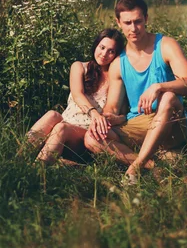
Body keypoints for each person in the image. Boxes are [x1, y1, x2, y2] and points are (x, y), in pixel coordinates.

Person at [84, 0, 187, 183]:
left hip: (172, 122)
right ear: (118, 22)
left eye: (138, 21)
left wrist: (159, 87)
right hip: (139, 123)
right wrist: (107, 118)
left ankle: (134, 168)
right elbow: (112, 106)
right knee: (91, 138)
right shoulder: (119, 63)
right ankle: (156, 164)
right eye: (127, 22)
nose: (133, 28)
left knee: (168, 97)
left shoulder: (166, 45)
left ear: (146, 18)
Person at [26, 28, 125, 164]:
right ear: (96, 45)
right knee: (52, 115)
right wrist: (94, 113)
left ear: (116, 54)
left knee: (62, 128)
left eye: (111, 51)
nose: (104, 54)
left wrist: (106, 119)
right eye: (102, 47)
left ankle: (37, 170)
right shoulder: (79, 67)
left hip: (86, 134)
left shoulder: (116, 79)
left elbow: (120, 112)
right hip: (66, 123)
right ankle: (18, 159)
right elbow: (77, 94)